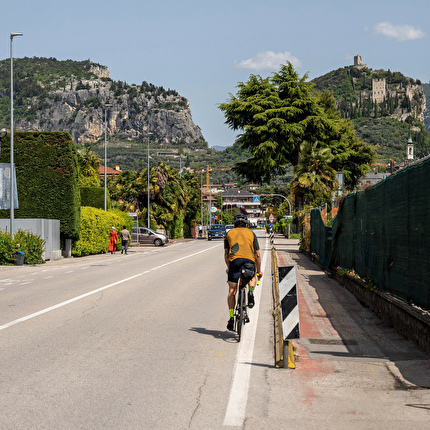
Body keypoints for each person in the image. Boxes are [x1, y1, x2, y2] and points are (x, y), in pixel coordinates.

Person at [224, 213, 263, 331]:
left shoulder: (229, 234)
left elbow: (226, 255)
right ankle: (250, 291)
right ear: (246, 224)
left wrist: (228, 267)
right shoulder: (252, 233)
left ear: (234, 224)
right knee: (252, 277)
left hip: (234, 262)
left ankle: (231, 317)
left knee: (232, 290)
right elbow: (257, 254)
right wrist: (259, 270)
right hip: (249, 262)